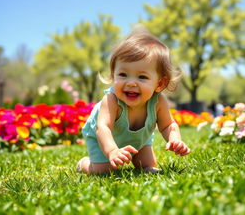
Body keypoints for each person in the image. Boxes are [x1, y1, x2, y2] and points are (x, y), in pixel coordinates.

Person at [77, 27, 191, 174]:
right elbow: (103, 128)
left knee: (147, 166)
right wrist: (112, 151)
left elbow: (168, 125)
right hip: (103, 137)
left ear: (160, 84)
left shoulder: (158, 102)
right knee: (104, 171)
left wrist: (175, 139)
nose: (131, 83)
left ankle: (140, 158)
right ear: (113, 75)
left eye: (142, 77)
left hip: (139, 138)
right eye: (123, 74)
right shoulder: (111, 100)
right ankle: (84, 164)